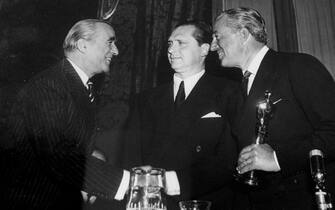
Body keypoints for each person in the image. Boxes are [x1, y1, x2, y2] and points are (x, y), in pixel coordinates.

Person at [211, 7, 335, 210]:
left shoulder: (298, 66)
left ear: (243, 34)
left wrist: (277, 158)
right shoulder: (234, 91)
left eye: (218, 36)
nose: (213, 46)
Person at [2, 19, 133, 210]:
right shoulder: (50, 86)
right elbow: (58, 155)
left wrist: (95, 155)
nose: (116, 51)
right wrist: (130, 182)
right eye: (110, 42)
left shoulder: (76, 85)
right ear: (83, 45)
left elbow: (72, 140)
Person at [122, 21, 241, 210]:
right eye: (169, 44)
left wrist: (169, 181)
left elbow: (229, 158)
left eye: (181, 43)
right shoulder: (145, 99)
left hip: (207, 202)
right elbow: (131, 155)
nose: (171, 50)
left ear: (204, 49)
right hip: (154, 203)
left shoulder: (229, 92)